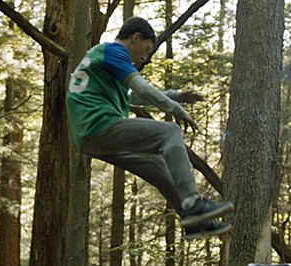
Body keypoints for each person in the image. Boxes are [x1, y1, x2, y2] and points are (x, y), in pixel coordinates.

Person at [66, 16, 233, 240]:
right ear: (135, 38)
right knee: (170, 132)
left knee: (159, 167)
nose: (144, 57)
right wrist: (176, 109)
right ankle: (193, 203)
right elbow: (142, 89)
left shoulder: (105, 60)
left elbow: (132, 95)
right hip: (100, 124)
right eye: (145, 49)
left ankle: (192, 221)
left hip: (89, 137)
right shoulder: (114, 51)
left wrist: (177, 96)